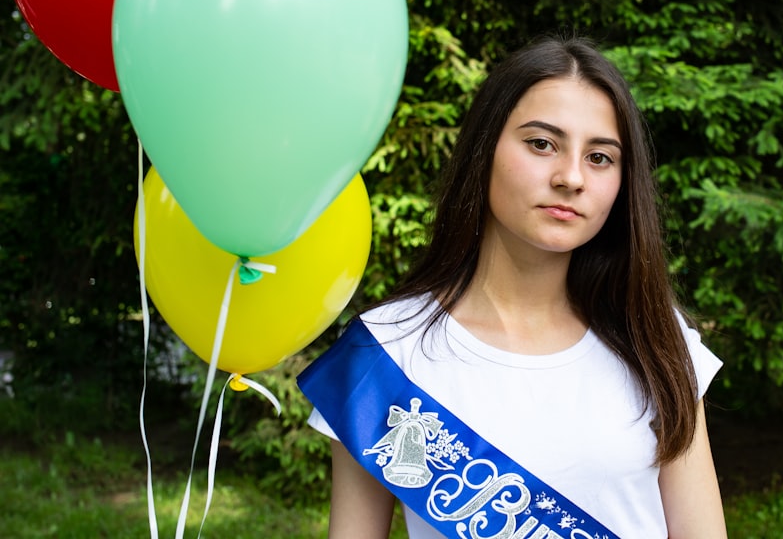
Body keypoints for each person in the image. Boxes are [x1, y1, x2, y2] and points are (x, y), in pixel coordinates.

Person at [298, 35, 728, 539]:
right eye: (541, 144)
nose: (571, 177)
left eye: (600, 157)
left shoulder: (654, 337)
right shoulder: (385, 355)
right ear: (485, 150)